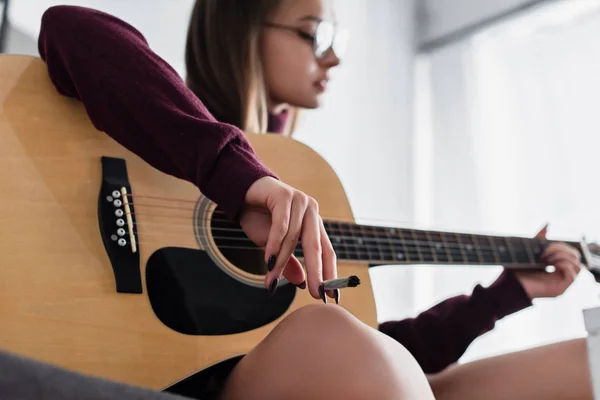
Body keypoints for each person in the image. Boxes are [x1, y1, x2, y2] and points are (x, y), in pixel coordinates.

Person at [26, 0, 591, 399]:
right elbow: (69, 25)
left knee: (585, 365)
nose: (335, 59)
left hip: (272, 370)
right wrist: (240, 177)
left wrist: (503, 296)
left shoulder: (302, 184)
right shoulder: (165, 126)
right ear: (244, 27)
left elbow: (377, 355)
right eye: (315, 33)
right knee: (336, 336)